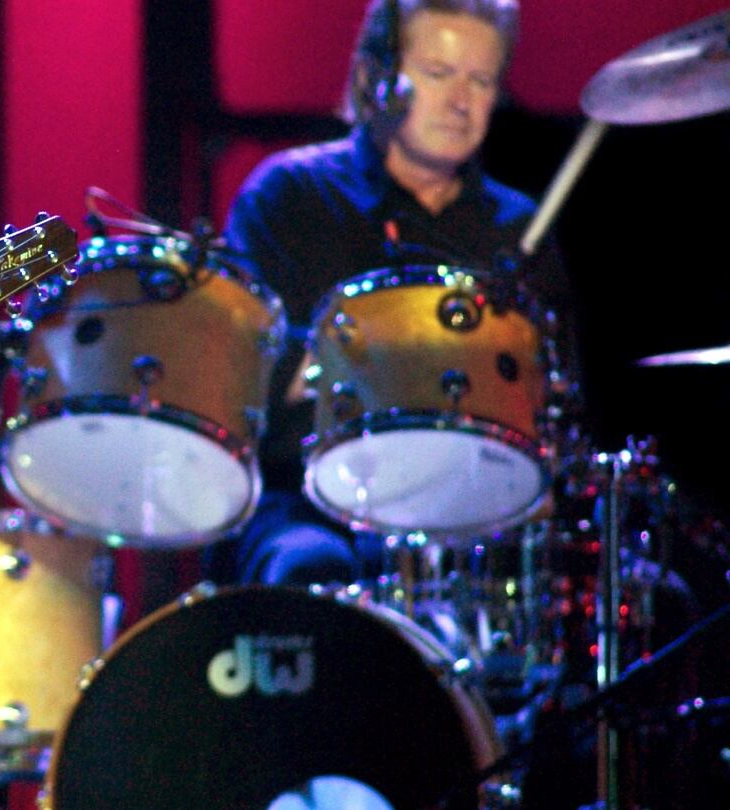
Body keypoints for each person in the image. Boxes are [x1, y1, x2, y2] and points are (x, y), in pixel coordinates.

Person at [213, 0, 576, 587]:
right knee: (310, 568)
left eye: (480, 81)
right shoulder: (290, 195)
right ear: (376, 79)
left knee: (642, 591)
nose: (461, 102)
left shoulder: (517, 228)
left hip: (475, 511)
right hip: (307, 506)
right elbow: (237, 380)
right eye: (437, 74)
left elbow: (556, 399)